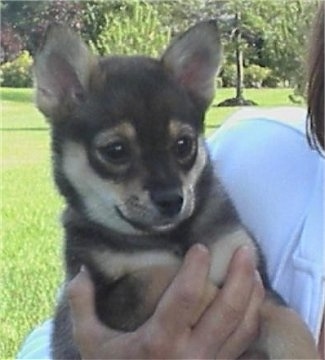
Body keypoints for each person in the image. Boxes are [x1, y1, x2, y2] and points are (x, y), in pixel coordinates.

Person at [18, 3, 324, 359]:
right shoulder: (257, 155)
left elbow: (267, 309)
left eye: (182, 147)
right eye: (116, 152)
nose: (168, 188)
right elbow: (57, 335)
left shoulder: (216, 206)